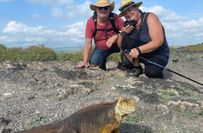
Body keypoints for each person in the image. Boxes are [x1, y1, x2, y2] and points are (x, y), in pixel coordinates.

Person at [117, 0, 170, 78]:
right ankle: (137, 68)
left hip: (158, 54)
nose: (128, 14)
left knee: (152, 73)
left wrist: (138, 50)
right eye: (125, 13)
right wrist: (122, 33)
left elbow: (158, 41)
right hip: (142, 53)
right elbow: (121, 46)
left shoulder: (150, 17)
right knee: (125, 41)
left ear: (136, 8)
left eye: (130, 10)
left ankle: (154, 68)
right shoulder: (127, 24)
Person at [75, 0, 124, 70]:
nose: (103, 10)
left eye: (106, 8)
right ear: (96, 9)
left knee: (125, 40)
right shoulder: (91, 22)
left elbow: (126, 31)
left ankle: (125, 63)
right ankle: (102, 61)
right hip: (101, 48)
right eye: (100, 8)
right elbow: (88, 43)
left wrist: (116, 36)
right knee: (93, 63)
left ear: (110, 9)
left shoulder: (115, 18)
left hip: (117, 44)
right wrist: (85, 62)